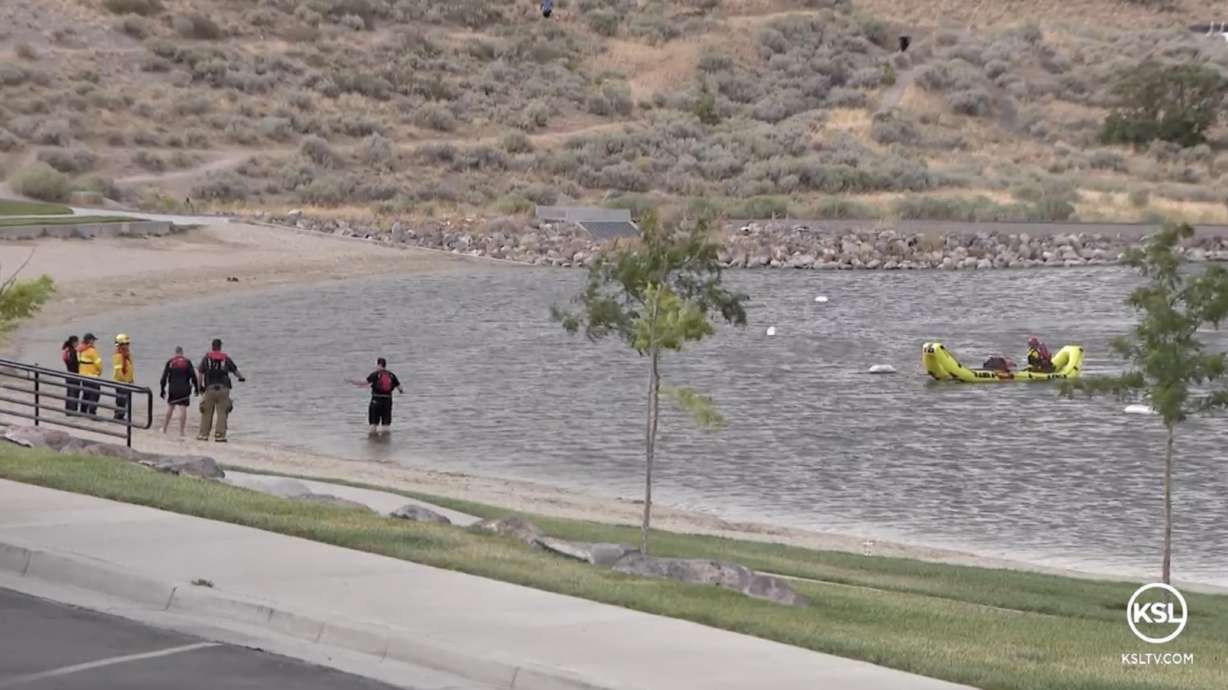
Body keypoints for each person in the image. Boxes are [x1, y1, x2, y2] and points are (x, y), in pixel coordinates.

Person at [197, 338, 244, 442]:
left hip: (209, 389)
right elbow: (235, 371)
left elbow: (200, 373)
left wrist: (199, 387)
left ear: (212, 346)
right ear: (220, 347)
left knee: (206, 412)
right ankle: (220, 435)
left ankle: (204, 435)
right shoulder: (225, 358)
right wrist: (241, 378)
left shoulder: (206, 358)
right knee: (222, 412)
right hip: (223, 389)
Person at [349, 357, 403, 436]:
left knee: (373, 425)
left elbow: (364, 382)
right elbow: (400, 389)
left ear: (379, 365)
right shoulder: (391, 375)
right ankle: (385, 444)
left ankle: (373, 444)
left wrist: (352, 381)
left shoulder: (375, 374)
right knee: (386, 426)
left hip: (376, 401)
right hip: (387, 401)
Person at [160, 346, 199, 436]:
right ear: (182, 353)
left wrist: (162, 390)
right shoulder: (187, 362)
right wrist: (196, 389)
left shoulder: (170, 362)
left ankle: (164, 428)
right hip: (184, 388)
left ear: (175, 353)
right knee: (183, 408)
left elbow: (163, 378)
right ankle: (181, 432)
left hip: (173, 388)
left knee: (170, 407)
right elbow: (193, 376)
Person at [76, 333, 103, 416]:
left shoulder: (79, 350)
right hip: (92, 376)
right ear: (90, 341)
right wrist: (99, 372)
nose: (94, 342)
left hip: (83, 376)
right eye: (93, 340)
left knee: (86, 394)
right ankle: (92, 412)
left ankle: (83, 411)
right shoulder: (91, 351)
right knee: (95, 394)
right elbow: (98, 364)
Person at [112, 334, 134, 421]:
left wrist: (131, 379)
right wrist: (125, 381)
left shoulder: (126, 355)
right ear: (121, 345)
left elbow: (129, 367)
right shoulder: (118, 356)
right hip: (121, 382)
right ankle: (118, 416)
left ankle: (121, 415)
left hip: (126, 382)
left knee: (124, 400)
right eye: (126, 344)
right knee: (121, 400)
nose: (128, 346)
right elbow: (118, 371)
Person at [61, 335, 80, 414]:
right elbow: (74, 363)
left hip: (69, 373)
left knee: (69, 393)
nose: (78, 344)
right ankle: (72, 410)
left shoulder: (67, 350)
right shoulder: (72, 351)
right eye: (77, 342)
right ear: (73, 342)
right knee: (74, 393)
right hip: (74, 374)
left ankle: (68, 410)